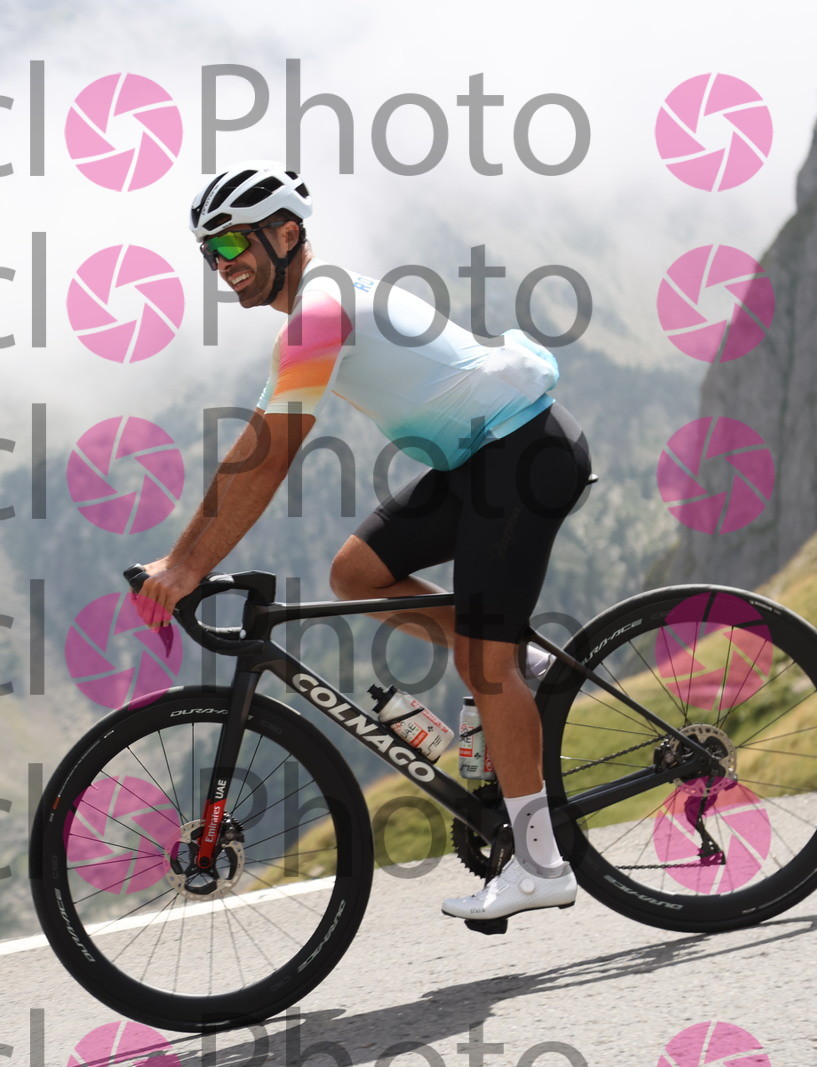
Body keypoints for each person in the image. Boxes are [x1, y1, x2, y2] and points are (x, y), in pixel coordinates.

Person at [134, 160, 593, 921]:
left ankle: (541, 865)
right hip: (481, 459)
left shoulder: (321, 310)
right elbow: (258, 442)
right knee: (357, 573)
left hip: (523, 454)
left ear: (287, 234)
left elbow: (269, 456)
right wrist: (182, 559)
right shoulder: (311, 316)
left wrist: (185, 566)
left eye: (234, 244)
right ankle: (526, 665)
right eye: (210, 252)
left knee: (484, 662)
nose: (222, 264)